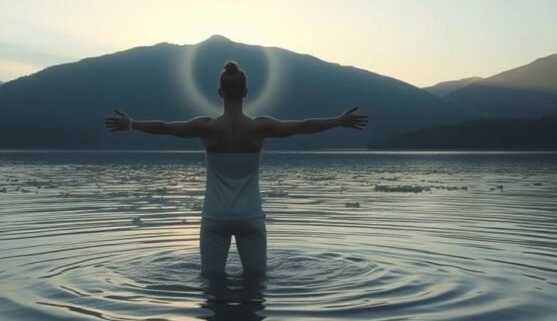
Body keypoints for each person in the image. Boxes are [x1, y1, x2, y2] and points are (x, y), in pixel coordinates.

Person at [104, 61, 369, 278]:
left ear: (219, 92)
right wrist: (339, 121)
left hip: (215, 216)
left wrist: (131, 123)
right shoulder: (259, 128)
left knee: (210, 282)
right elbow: (303, 125)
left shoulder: (206, 127)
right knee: (257, 282)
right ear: (245, 92)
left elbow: (166, 127)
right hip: (250, 216)